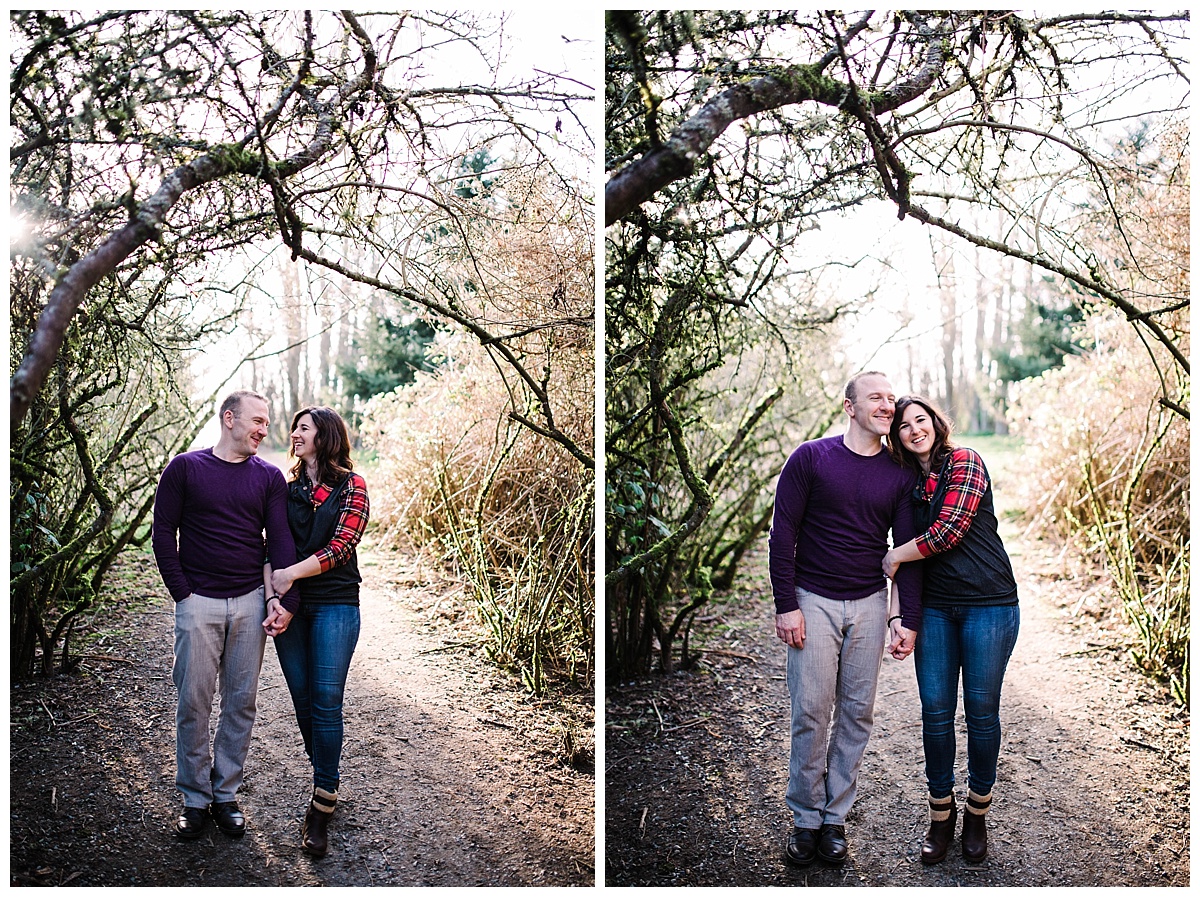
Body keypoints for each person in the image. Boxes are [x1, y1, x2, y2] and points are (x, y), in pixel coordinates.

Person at [768, 371, 922, 868]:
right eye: (875, 397)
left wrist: (905, 617)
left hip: (870, 603)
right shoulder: (811, 458)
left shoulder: (899, 475)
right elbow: (782, 532)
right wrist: (785, 604)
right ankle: (805, 819)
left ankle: (834, 818)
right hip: (812, 600)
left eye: (890, 398)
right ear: (849, 406)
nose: (886, 404)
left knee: (857, 713)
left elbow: (904, 553)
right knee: (811, 712)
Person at [152, 390, 299, 840]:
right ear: (229, 418)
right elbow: (162, 534)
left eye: (266, 422)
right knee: (193, 702)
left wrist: (282, 601)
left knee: (241, 702)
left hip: (251, 600)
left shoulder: (269, 477)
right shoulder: (185, 468)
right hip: (199, 603)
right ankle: (194, 800)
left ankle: (225, 795)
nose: (264, 429)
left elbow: (279, 541)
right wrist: (184, 595)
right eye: (257, 420)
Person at [883, 396, 1019, 865]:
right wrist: (899, 614)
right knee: (936, 713)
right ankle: (940, 816)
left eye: (921, 419)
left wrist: (896, 555)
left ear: (936, 423)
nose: (914, 429)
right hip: (938, 611)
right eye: (904, 425)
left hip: (989, 605)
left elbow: (949, 531)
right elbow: (904, 553)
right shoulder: (906, 482)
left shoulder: (966, 461)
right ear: (896, 436)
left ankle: (977, 813)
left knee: (982, 713)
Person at [267, 406, 369, 858]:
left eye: (303, 427)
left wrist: (290, 574)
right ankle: (326, 774)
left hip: (335, 605)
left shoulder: (353, 485)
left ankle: (321, 803)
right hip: (293, 609)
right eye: (294, 427)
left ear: (325, 436)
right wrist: (278, 595)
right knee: (304, 700)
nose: (294, 434)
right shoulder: (285, 491)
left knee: (326, 700)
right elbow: (269, 544)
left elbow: (341, 545)